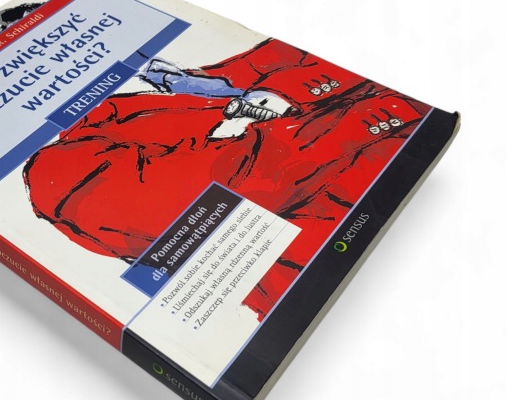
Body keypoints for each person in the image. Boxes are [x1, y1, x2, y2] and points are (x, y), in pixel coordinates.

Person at [23, 38, 430, 318]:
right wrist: (387, 108)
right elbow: (249, 182)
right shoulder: (60, 174)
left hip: (415, 180)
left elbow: (319, 64)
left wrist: (282, 91)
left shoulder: (198, 78)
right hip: (351, 271)